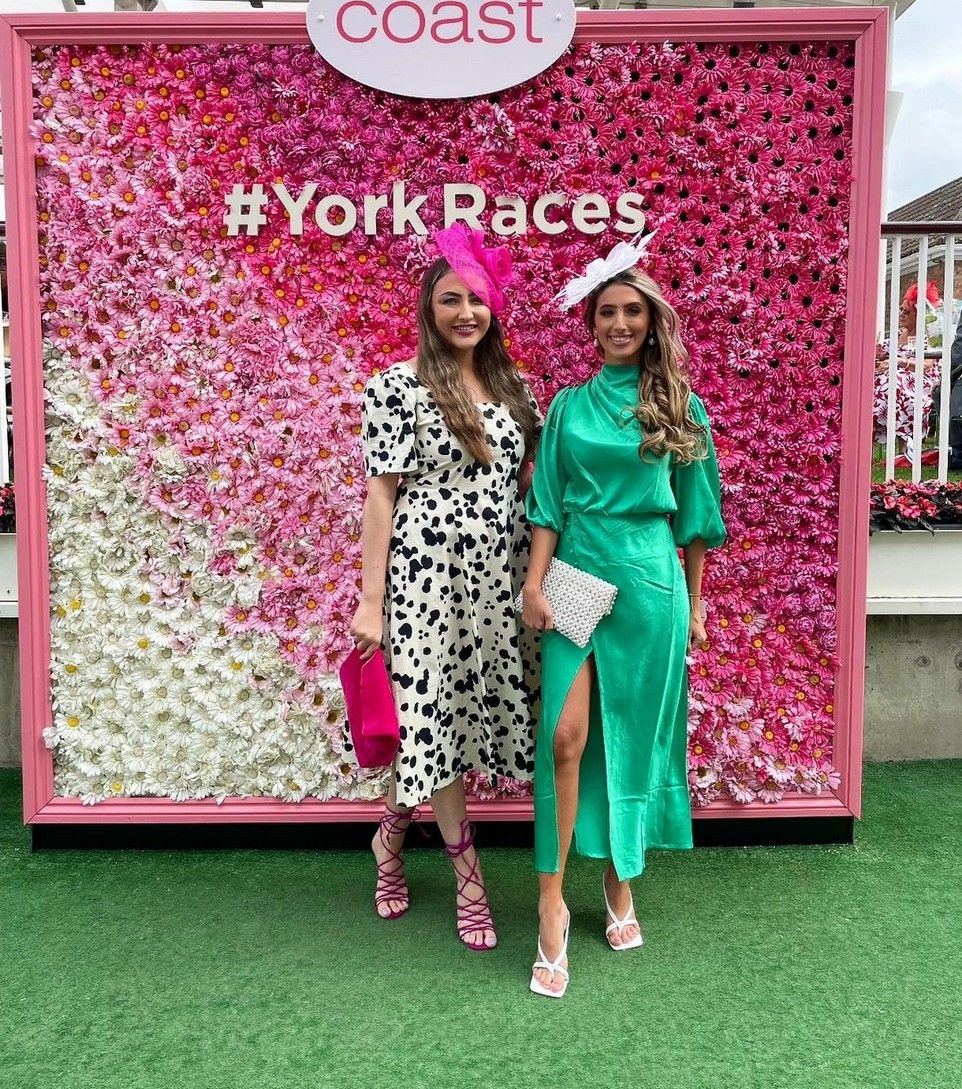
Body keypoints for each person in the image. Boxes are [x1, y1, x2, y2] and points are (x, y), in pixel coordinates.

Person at [521, 235, 726, 997]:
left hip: (649, 582)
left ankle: (618, 875)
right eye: (606, 311)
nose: (618, 323)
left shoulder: (680, 405)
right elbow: (546, 503)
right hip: (576, 572)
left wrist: (696, 604)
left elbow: (697, 517)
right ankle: (550, 901)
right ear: (591, 321)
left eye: (632, 312)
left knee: (632, 737)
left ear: (650, 321)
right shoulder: (568, 406)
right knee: (565, 738)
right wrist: (534, 584)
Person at [349, 224, 540, 951]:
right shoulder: (395, 386)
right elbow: (381, 497)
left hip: (500, 578)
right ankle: (469, 879)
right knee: (434, 718)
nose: (466, 312)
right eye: (451, 299)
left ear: (494, 308)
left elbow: (534, 488)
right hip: (426, 578)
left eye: (477, 299)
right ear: (429, 308)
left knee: (448, 723)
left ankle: (389, 837)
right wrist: (371, 602)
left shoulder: (514, 388)